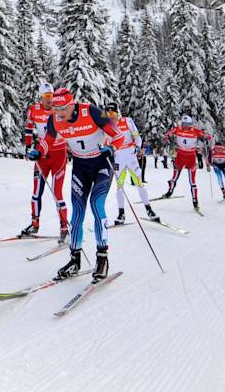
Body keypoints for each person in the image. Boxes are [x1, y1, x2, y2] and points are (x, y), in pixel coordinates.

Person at [38, 88, 126, 283]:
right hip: (80, 166)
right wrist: (38, 151)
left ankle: (102, 258)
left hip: (102, 164)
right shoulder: (55, 120)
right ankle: (74, 260)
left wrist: (111, 148)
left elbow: (118, 134)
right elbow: (47, 140)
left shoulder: (92, 111)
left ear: (71, 105)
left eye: (62, 109)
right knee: (77, 212)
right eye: (55, 108)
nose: (58, 113)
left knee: (97, 204)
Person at [19, 82, 70, 241]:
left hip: (58, 154)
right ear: (41, 97)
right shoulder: (34, 110)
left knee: (57, 192)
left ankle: (64, 227)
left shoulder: (58, 110)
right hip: (41, 156)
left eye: (52, 96)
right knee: (36, 193)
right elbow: (28, 129)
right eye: (47, 97)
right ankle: (34, 224)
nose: (50, 100)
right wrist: (28, 148)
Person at [105, 102, 163, 226]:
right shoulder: (107, 126)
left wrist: (137, 147)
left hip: (131, 157)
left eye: (113, 113)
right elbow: (107, 142)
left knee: (139, 184)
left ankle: (149, 210)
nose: (111, 116)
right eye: (108, 113)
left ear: (117, 112)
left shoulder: (127, 121)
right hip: (118, 159)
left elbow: (136, 136)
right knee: (119, 187)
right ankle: (121, 214)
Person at [161, 114, 212, 211]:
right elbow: (167, 134)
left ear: (190, 124)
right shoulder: (177, 129)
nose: (185, 126)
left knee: (192, 181)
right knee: (174, 177)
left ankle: (195, 202)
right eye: (184, 124)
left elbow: (208, 136)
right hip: (180, 155)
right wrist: (165, 139)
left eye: (187, 124)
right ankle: (169, 192)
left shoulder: (195, 130)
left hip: (191, 157)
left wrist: (205, 137)